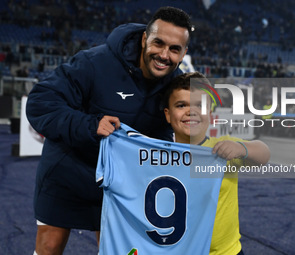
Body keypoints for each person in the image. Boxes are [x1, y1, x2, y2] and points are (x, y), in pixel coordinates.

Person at [26, 6, 191, 255]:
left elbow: (166, 133)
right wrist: (90, 125)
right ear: (145, 39)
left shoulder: (174, 85)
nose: (164, 55)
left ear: (184, 52)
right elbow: (40, 102)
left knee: (116, 250)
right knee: (50, 246)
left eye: (174, 49)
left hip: (118, 183)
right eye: (159, 43)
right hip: (68, 172)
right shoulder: (94, 62)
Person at [162, 71, 270, 254]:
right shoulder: (157, 155)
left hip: (226, 252)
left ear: (210, 113)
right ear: (168, 114)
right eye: (181, 105)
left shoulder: (224, 147)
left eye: (200, 105)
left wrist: (242, 149)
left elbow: (264, 153)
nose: (191, 111)